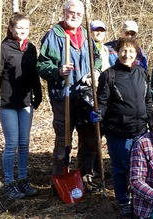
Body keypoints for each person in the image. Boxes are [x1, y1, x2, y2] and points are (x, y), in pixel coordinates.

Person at [36, 0, 102, 193]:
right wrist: (58, 70)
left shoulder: (86, 37)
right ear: (64, 12)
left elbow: (96, 59)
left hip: (84, 96)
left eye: (78, 14)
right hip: (62, 97)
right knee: (63, 138)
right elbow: (42, 65)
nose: (74, 16)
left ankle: (85, 177)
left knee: (89, 138)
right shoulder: (53, 36)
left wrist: (95, 73)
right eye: (71, 12)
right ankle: (59, 177)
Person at [92, 37, 153, 217]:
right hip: (118, 132)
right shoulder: (109, 75)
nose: (127, 55)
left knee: (140, 168)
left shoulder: (141, 73)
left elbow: (148, 100)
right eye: (124, 51)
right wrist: (99, 113)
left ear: (136, 54)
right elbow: (102, 101)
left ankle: (139, 197)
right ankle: (123, 200)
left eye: (131, 52)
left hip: (141, 130)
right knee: (120, 168)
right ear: (117, 53)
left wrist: (151, 120)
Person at [0, 13, 42, 200]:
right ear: (11, 28)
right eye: (19, 28)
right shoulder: (3, 48)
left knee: (24, 143)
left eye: (26, 28)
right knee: (12, 143)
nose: (22, 31)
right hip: (7, 101)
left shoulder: (31, 48)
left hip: (25, 101)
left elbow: (34, 74)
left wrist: (38, 92)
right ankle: (9, 182)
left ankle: (23, 179)